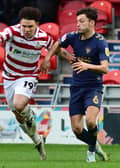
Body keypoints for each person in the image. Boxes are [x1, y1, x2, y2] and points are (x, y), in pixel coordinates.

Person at [0, 6, 72, 160]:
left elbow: (57, 49)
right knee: (18, 114)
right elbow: (1, 37)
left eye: (30, 26)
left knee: (19, 105)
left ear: (37, 25)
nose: (26, 29)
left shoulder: (43, 37)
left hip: (28, 75)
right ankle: (37, 141)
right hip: (9, 77)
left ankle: (29, 113)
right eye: (24, 26)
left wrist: (72, 60)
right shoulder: (12, 32)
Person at [40, 7, 110, 162]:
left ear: (91, 23)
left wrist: (87, 66)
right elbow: (57, 43)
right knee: (77, 130)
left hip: (93, 87)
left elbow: (105, 68)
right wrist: (47, 58)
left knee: (91, 121)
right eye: (77, 21)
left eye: (81, 21)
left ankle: (90, 152)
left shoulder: (100, 43)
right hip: (76, 87)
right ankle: (95, 145)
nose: (77, 24)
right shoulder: (72, 37)